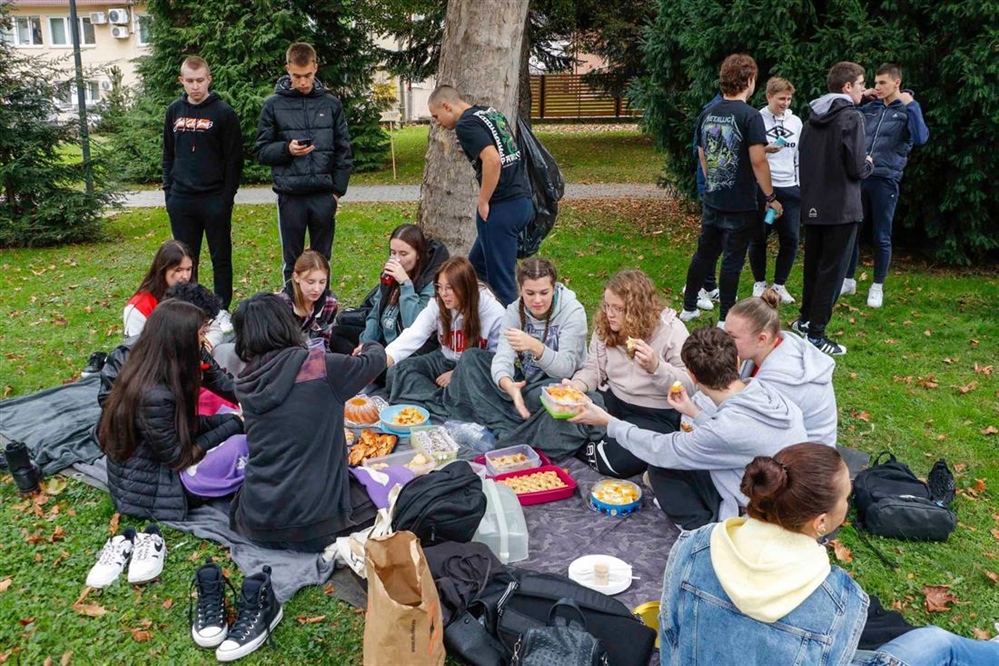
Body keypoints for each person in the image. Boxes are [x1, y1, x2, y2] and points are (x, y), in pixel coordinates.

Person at [658, 443, 999, 665]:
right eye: (847, 497)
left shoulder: (694, 545)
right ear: (821, 521)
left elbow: (671, 643)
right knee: (939, 644)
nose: (848, 505)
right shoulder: (838, 598)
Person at [571, 326, 806, 530]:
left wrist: (607, 421)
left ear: (692, 376)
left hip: (760, 511)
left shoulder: (725, 430)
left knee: (660, 470)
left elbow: (661, 449)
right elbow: (737, 434)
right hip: (794, 496)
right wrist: (693, 411)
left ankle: (699, 532)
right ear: (737, 361)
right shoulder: (764, 392)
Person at [230, 293, 384, 551]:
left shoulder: (245, 380)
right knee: (393, 486)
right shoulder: (321, 368)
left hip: (257, 519)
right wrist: (369, 344)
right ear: (285, 324)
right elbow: (375, 361)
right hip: (316, 523)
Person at [98, 301, 244, 521]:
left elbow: (186, 424)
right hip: (155, 488)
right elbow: (178, 457)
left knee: (237, 430)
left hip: (161, 465)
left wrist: (235, 417)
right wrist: (235, 425)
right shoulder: (153, 393)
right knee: (242, 446)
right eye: (201, 333)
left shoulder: (163, 361)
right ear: (181, 339)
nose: (205, 341)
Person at [680, 54, 783, 325]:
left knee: (705, 253)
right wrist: (771, 197)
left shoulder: (707, 113)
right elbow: (758, 161)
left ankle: (688, 307)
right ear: (749, 81)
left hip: (713, 198)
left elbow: (703, 154)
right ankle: (725, 318)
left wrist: (713, 184)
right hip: (741, 203)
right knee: (732, 261)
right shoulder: (750, 116)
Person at [444, 257, 588, 448]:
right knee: (471, 359)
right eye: (530, 293)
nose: (537, 300)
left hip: (560, 387)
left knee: (542, 399)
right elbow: (502, 357)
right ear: (520, 290)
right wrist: (507, 385)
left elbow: (566, 368)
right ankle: (509, 420)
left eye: (544, 292)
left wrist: (535, 347)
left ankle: (504, 425)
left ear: (554, 288)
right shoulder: (514, 311)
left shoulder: (572, 312)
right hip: (524, 384)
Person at [567, 269, 694, 478]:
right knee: (561, 415)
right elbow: (593, 369)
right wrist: (576, 386)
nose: (609, 314)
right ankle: (593, 442)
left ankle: (587, 445)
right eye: (607, 306)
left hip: (654, 412)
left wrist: (656, 368)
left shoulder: (672, 331)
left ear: (638, 309)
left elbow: (689, 386)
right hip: (613, 400)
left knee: (617, 463)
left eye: (618, 308)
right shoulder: (605, 326)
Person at [254, 42, 352, 284]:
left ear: (315, 67)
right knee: (293, 262)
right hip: (290, 196)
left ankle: (322, 313)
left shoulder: (331, 104)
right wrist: (286, 149)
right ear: (287, 69)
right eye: (297, 76)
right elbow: (262, 151)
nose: (303, 82)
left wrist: (336, 192)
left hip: (323, 195)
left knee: (322, 260)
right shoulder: (273, 105)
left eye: (307, 75)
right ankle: (291, 313)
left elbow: (344, 150)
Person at [794, 62, 874, 356]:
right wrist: (868, 164)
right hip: (841, 208)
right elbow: (855, 167)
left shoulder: (811, 118)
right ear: (847, 87)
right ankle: (816, 334)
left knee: (814, 267)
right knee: (833, 271)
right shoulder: (851, 118)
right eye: (861, 84)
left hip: (814, 204)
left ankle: (805, 320)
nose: (864, 90)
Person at [426, 85, 533, 306]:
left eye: (436, 116)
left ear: (447, 106)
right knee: (474, 270)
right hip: (522, 199)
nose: (438, 122)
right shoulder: (488, 112)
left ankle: (511, 333)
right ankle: (473, 322)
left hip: (501, 206)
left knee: (501, 283)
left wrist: (483, 200)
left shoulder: (465, 125)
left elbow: (492, 160)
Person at [844, 63, 930, 309]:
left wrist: (911, 105)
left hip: (886, 179)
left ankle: (877, 286)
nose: (877, 87)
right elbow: (847, 119)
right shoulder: (870, 108)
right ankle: (848, 280)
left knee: (881, 235)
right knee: (852, 230)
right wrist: (861, 99)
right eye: (875, 82)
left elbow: (921, 138)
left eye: (882, 83)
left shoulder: (907, 110)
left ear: (897, 83)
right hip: (860, 177)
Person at [162, 56, 243, 316]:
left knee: (221, 257)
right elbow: (168, 154)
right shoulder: (174, 111)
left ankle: (221, 310)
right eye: (190, 81)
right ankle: (187, 309)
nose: (195, 87)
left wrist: (226, 198)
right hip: (182, 199)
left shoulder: (223, 113)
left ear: (209, 79)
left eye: (200, 81)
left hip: (214, 198)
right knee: (185, 260)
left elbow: (234, 160)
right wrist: (169, 193)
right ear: (181, 81)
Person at [385, 256, 505, 416]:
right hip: (443, 360)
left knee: (477, 389)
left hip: (475, 373)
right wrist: (379, 360)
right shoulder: (437, 304)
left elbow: (496, 360)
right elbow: (414, 334)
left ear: (466, 287)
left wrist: (458, 374)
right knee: (398, 372)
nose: (443, 294)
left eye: (450, 288)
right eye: (439, 287)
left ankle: (435, 405)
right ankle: (445, 405)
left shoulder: (494, 312)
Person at [100, 283, 237, 410]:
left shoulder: (194, 347)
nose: (207, 330)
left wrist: (252, 401)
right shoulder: (125, 357)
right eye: (203, 324)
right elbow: (108, 403)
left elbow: (219, 380)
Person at [726, 290, 837, 445]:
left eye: (732, 337)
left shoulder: (782, 381)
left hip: (803, 462)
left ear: (762, 339)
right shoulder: (769, 348)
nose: (723, 341)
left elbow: (743, 432)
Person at [350, 223, 449, 352]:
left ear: (418, 255)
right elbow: (375, 314)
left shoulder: (430, 283)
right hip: (385, 338)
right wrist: (365, 344)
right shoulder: (390, 276)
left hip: (409, 349)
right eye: (393, 253)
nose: (397, 259)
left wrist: (405, 284)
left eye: (403, 254)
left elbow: (414, 325)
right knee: (338, 334)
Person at [749, 77, 803, 304]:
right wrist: (765, 150)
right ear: (769, 96)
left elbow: (799, 154)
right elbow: (751, 154)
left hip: (790, 190)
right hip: (765, 189)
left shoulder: (796, 122)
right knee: (760, 235)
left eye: (789, 99)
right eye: (781, 98)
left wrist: (799, 184)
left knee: (790, 237)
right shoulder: (756, 119)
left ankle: (779, 285)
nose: (785, 103)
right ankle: (759, 282)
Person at [123, 240, 194, 337]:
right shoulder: (140, 307)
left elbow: (215, 328)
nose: (185, 276)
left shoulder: (195, 295)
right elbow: (134, 346)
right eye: (178, 270)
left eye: (188, 269)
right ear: (162, 271)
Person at [277, 250, 338, 351]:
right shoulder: (281, 306)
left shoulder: (329, 303)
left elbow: (325, 342)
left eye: (322, 282)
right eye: (310, 282)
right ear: (296, 277)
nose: (317, 289)